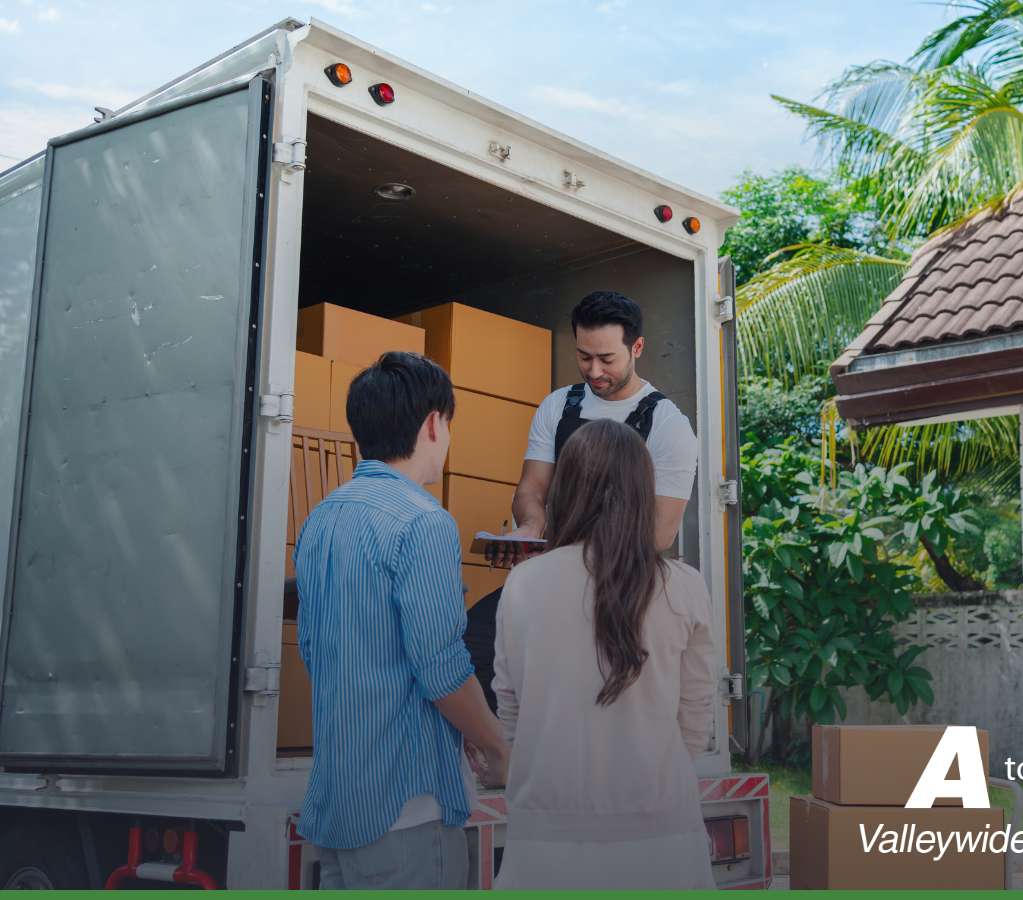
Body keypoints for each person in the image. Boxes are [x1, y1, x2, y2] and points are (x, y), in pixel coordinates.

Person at [293, 351, 508, 890]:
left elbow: (312, 648)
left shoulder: (322, 519)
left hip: (341, 798)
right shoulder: (424, 522)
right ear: (434, 424)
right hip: (408, 804)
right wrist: (499, 748)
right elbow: (442, 668)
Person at [491, 418, 717, 889]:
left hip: (544, 848)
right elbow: (694, 726)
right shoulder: (685, 587)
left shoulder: (524, 584)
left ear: (566, 491)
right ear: (643, 493)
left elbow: (511, 716)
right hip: (663, 844)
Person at [465, 291, 699, 709]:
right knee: (475, 640)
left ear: (637, 348)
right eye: (584, 356)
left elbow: (659, 534)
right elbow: (531, 490)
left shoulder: (668, 426)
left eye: (607, 359)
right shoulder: (559, 405)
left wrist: (580, 559)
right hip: (553, 572)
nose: (594, 370)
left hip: (620, 587)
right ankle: (502, 760)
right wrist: (531, 531)